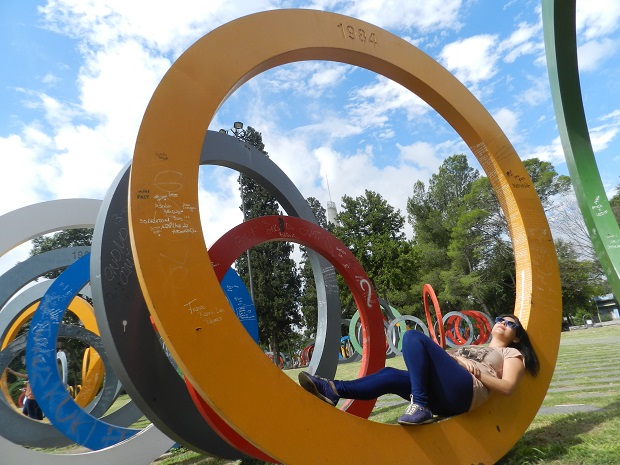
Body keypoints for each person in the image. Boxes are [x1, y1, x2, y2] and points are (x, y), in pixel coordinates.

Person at [298, 313, 539, 425]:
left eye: (510, 324)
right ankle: (332, 389)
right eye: (500, 319)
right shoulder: (474, 346)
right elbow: (443, 361)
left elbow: (508, 388)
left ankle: (420, 405)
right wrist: (455, 359)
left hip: (466, 390)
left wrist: (478, 372)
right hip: (443, 394)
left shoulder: (512, 353)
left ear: (517, 337)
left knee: (412, 335)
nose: (503, 324)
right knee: (390, 375)